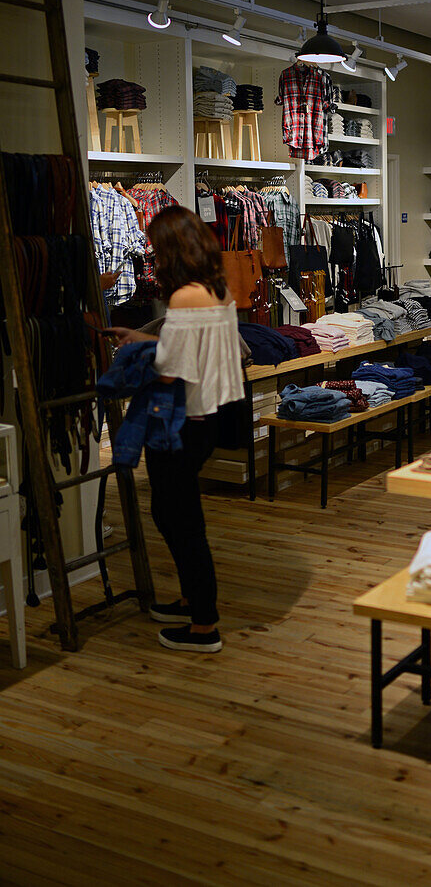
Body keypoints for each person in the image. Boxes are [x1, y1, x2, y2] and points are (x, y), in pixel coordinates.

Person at [109, 206, 244, 653]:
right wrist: (143, 338)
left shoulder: (186, 296)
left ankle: (204, 624)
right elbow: (191, 346)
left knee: (177, 518)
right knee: (178, 513)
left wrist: (132, 363)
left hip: (182, 421)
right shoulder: (216, 289)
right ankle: (192, 600)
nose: (152, 255)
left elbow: (171, 371)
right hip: (206, 417)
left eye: (156, 246)